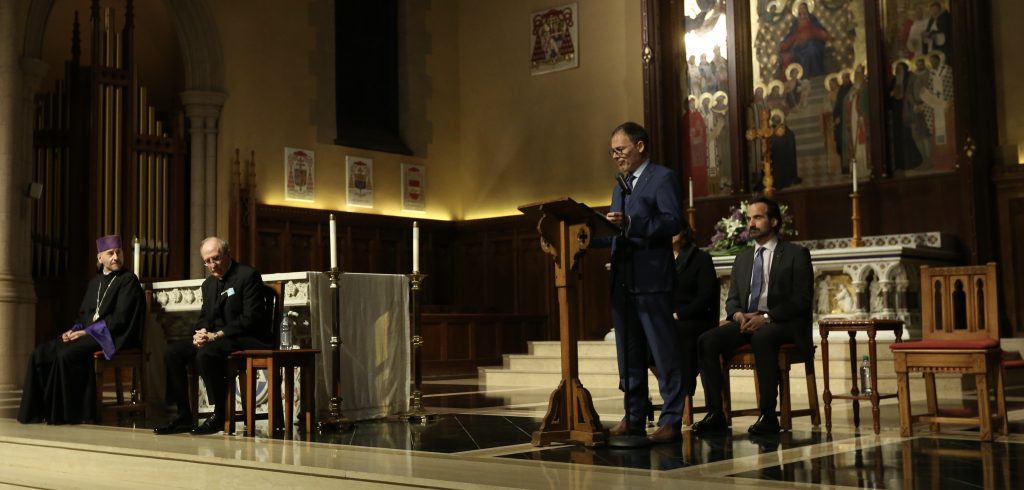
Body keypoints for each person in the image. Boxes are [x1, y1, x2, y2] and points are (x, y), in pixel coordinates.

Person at [691, 197, 813, 435]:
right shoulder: (744, 258)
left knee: (762, 337)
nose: (751, 223)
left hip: (782, 323)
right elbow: (733, 298)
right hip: (746, 321)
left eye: (758, 217)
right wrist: (737, 315)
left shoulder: (795, 254)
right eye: (749, 219)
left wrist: (766, 317)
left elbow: (802, 299)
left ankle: (768, 415)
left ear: (774, 221)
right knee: (707, 340)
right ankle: (716, 412)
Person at [602, 121, 685, 443]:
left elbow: (673, 221)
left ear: (640, 146)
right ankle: (634, 415)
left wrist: (633, 222)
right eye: (612, 151)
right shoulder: (619, 185)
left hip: (652, 279)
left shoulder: (662, 177)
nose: (616, 156)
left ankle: (671, 419)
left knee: (663, 353)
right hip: (623, 280)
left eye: (620, 149)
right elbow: (616, 230)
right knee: (629, 353)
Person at [18, 235, 145, 424]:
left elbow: (120, 318)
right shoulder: (94, 283)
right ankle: (38, 412)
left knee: (66, 355)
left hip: (113, 336)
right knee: (40, 354)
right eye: (110, 253)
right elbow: (84, 316)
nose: (116, 257)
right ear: (99, 258)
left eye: (118, 252)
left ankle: (69, 414)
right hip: (91, 333)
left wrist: (86, 332)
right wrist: (74, 329)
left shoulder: (128, 280)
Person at [154, 237, 271, 435]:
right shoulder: (208, 284)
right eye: (207, 261)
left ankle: (219, 414)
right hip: (216, 338)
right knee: (172, 352)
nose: (211, 265)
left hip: (244, 336)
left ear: (227, 254)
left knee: (206, 354)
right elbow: (205, 317)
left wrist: (217, 335)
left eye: (215, 259)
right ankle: (183, 415)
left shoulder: (247, 275)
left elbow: (251, 318)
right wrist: (200, 333)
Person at [671, 224, 718, 403]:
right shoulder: (661, 260)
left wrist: (679, 314)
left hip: (697, 319)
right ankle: (671, 385)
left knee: (676, 332)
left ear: (684, 231)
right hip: (671, 319)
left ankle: (682, 391)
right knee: (643, 336)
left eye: (673, 228)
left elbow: (706, 296)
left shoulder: (700, 258)